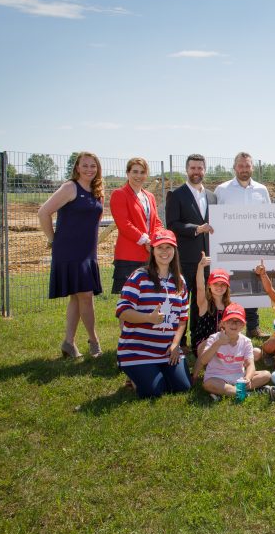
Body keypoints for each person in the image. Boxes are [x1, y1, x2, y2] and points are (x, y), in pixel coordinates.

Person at [38, 151, 104, 359]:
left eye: (93, 166)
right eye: (85, 165)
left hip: (87, 251)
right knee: (85, 294)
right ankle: (94, 341)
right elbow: (43, 212)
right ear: (77, 167)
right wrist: (52, 239)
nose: (89, 169)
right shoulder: (69, 187)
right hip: (69, 250)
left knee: (78, 297)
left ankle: (68, 342)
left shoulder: (97, 191)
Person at [115, 229, 191, 398]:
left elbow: (183, 319)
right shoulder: (139, 277)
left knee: (183, 387)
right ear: (152, 251)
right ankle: (136, 376)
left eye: (168, 247)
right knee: (154, 392)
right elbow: (122, 311)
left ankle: (153, 373)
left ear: (175, 250)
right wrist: (148, 318)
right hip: (138, 350)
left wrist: (176, 344)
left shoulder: (180, 281)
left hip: (166, 350)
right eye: (160, 248)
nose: (164, 252)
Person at [214, 151, 271, 338]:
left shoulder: (261, 190)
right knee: (231, 286)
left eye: (247, 166)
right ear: (234, 167)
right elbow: (215, 218)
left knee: (253, 283)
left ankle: (253, 327)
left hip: (255, 245)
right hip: (230, 246)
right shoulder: (222, 190)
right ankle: (227, 325)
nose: (244, 169)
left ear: (252, 167)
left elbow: (269, 216)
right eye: (241, 166)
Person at [164, 154, 217, 346]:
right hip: (185, 258)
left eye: (200, 168)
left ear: (205, 170)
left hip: (208, 259)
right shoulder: (176, 195)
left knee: (202, 299)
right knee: (182, 300)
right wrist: (196, 229)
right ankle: (179, 339)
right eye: (193, 168)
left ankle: (198, 337)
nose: (196, 172)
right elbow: (172, 225)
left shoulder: (212, 196)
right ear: (187, 170)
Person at [109, 157, 162, 296]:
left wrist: (157, 240)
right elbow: (124, 224)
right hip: (129, 255)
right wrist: (145, 240)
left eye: (142, 172)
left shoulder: (149, 196)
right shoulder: (119, 194)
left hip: (150, 254)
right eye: (135, 172)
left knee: (148, 296)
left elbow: (156, 221)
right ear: (128, 173)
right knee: (128, 299)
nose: (139, 176)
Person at [197, 303, 272, 400]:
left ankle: (228, 392)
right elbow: (203, 361)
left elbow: (250, 364)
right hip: (217, 376)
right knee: (208, 384)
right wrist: (217, 343)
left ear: (243, 325)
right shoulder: (214, 338)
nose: (233, 324)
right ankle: (246, 393)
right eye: (230, 320)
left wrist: (248, 378)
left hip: (239, 377)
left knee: (266, 375)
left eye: (238, 321)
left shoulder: (246, 341)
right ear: (223, 323)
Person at [190, 260, 231, 380]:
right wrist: (200, 267)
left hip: (224, 342)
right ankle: (197, 374)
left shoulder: (230, 306)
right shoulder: (204, 304)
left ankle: (225, 367)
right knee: (207, 344)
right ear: (210, 285)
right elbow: (199, 287)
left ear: (227, 287)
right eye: (215, 284)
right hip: (203, 343)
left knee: (255, 352)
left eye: (222, 284)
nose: (219, 287)